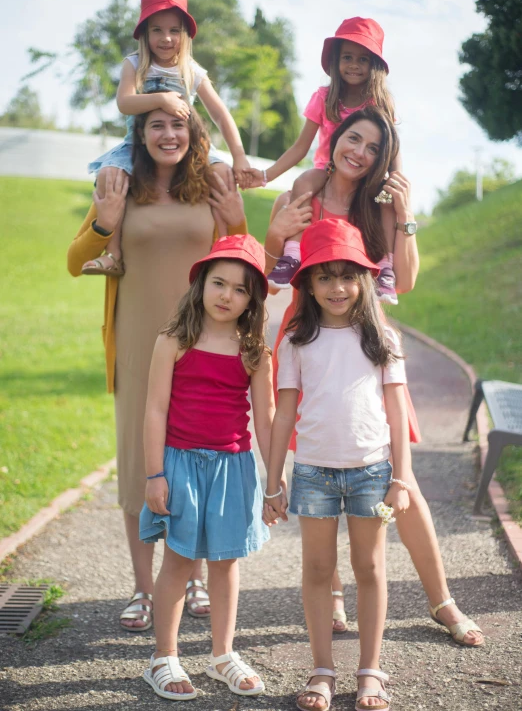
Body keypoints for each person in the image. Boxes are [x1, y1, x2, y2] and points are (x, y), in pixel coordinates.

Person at [264, 108, 484, 648]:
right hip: (307, 335)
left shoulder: (379, 204)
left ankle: (442, 599)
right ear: (334, 138)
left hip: (367, 341)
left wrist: (405, 214)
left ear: (381, 159)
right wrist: (272, 236)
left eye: (371, 147)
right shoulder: (305, 188)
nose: (358, 152)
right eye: (351, 138)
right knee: (320, 458)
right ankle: (333, 596)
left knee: (390, 466)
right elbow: (272, 276)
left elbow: (401, 281)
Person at [67, 103, 246, 631]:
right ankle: (144, 589)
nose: (169, 134)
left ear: (193, 133)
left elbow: (242, 254)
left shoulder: (210, 185)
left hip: (204, 346)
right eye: (157, 125)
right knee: (137, 467)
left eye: (178, 125)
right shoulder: (118, 183)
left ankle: (189, 578)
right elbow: (76, 261)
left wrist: (235, 217)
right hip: (138, 344)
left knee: (198, 461)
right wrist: (104, 223)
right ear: (140, 133)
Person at [264, 218, 411, 711]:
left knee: (369, 567)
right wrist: (273, 480)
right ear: (307, 282)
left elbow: (397, 411)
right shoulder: (296, 342)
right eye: (324, 276)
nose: (338, 287)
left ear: (365, 279)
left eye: (347, 275)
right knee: (318, 569)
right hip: (313, 473)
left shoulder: (382, 338)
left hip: (373, 472)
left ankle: (370, 671)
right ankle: (322, 669)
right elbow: (283, 413)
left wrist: (402, 477)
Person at [139, 234, 277, 701]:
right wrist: (154, 474)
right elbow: (155, 409)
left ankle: (222, 655)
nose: (226, 295)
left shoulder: (254, 349)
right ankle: (164, 657)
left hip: (232, 468)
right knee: (179, 561)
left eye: (240, 289)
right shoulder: (174, 339)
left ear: (252, 299)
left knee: (225, 562)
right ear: (200, 283)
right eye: (219, 283)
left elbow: (267, 419)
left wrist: (273, 482)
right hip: (179, 465)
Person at [82, 0, 251, 278]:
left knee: (222, 174)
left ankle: (222, 251)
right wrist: (161, 99)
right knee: (109, 175)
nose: (166, 38)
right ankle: (114, 254)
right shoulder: (134, 65)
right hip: (136, 145)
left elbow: (222, 116)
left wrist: (239, 157)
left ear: (185, 34)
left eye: (174, 30)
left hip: (186, 146)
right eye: (157, 30)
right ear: (145, 33)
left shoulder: (193, 72)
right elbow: (124, 103)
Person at [242, 17, 400, 303]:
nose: (354, 64)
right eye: (347, 57)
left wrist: (397, 184)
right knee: (304, 182)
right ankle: (292, 253)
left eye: (362, 59)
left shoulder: (380, 103)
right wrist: (266, 176)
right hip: (326, 170)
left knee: (386, 203)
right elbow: (300, 147)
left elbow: (392, 147)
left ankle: (386, 267)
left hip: (367, 176)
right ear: (335, 61)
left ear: (374, 65)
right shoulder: (325, 98)